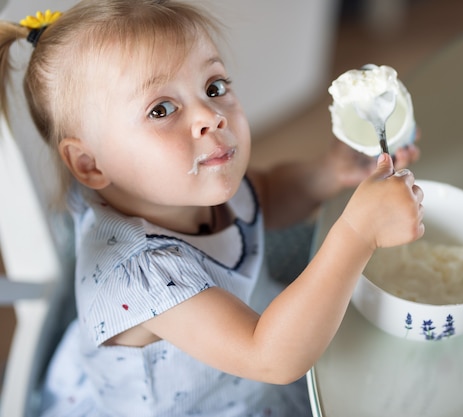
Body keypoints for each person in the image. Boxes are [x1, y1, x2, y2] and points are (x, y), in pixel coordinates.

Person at [0, 1, 424, 416]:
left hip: (250, 358)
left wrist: (329, 172)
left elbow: (268, 197)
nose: (210, 115)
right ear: (90, 165)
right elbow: (270, 357)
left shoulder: (189, 184)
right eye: (161, 109)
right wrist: (356, 233)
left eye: (214, 87)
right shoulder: (138, 274)